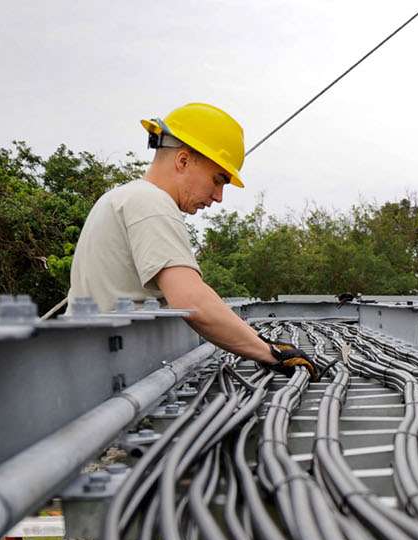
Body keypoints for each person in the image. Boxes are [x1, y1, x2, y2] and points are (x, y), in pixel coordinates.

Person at [66, 102, 316, 380]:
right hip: (113, 380)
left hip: (96, 372)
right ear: (183, 161)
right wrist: (272, 355)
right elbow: (192, 301)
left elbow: (199, 293)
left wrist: (259, 340)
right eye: (218, 179)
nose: (219, 196)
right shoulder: (151, 203)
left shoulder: (123, 197)